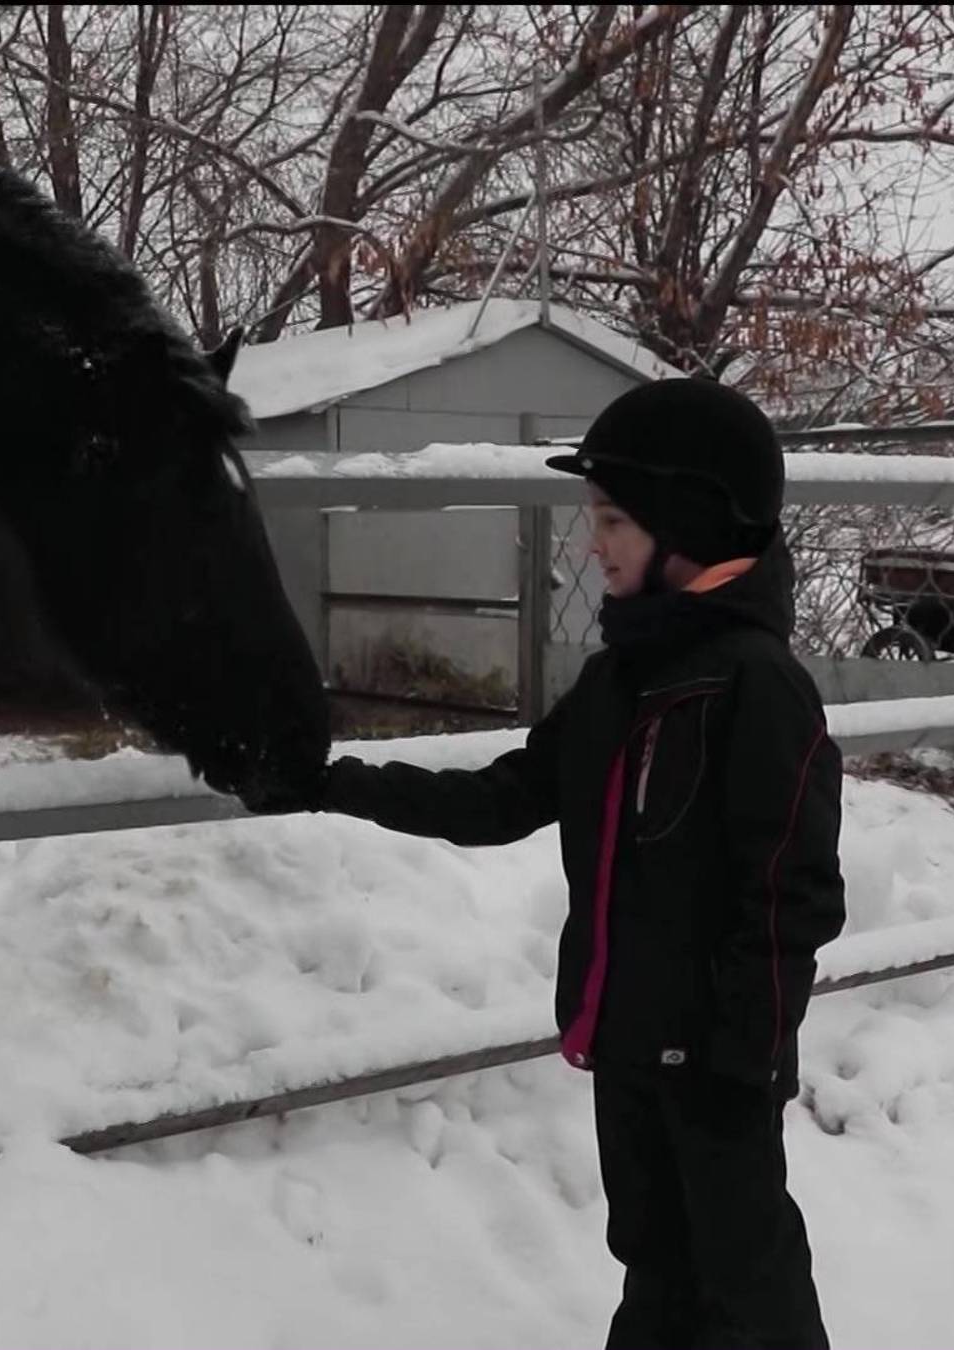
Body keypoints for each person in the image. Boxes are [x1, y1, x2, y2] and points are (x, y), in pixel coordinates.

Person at [248, 377, 844, 1349]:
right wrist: (326, 782)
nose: (588, 543)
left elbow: (790, 893)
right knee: (654, 1267)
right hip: (626, 1050)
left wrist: (741, 1059)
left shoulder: (760, 688)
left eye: (611, 519)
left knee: (751, 1286)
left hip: (714, 1070)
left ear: (686, 523)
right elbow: (501, 799)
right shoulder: (619, 680)